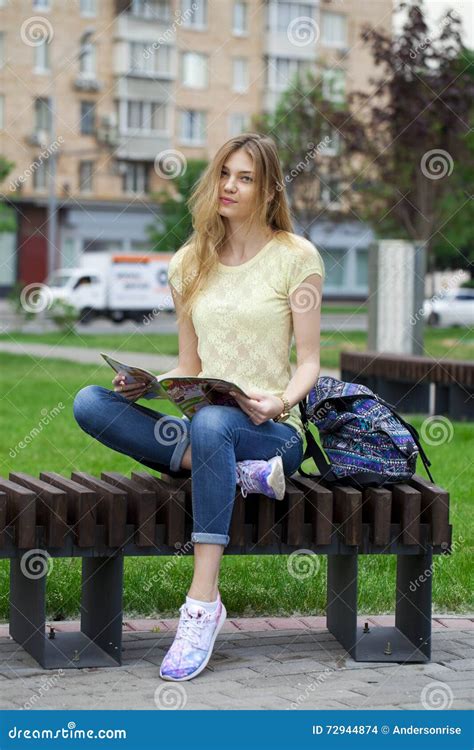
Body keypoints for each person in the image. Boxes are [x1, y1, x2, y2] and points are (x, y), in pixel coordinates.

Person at [72, 132, 325, 682]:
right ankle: (244, 475)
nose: (229, 187)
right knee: (89, 403)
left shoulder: (296, 257)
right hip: (209, 426)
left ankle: (201, 603)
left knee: (214, 422)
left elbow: (309, 362)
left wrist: (277, 399)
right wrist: (150, 385)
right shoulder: (189, 263)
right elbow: (190, 363)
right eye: (224, 175)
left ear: (269, 189)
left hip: (274, 431)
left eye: (246, 178)